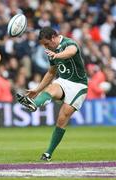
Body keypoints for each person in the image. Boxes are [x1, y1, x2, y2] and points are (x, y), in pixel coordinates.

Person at [17, 26, 88, 161]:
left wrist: (57, 55)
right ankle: (34, 103)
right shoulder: (51, 50)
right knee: (51, 88)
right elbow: (51, 72)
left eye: (47, 43)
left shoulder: (68, 43)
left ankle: (48, 153)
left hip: (79, 85)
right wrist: (37, 90)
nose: (46, 47)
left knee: (62, 119)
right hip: (64, 81)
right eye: (44, 45)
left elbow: (71, 52)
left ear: (54, 37)